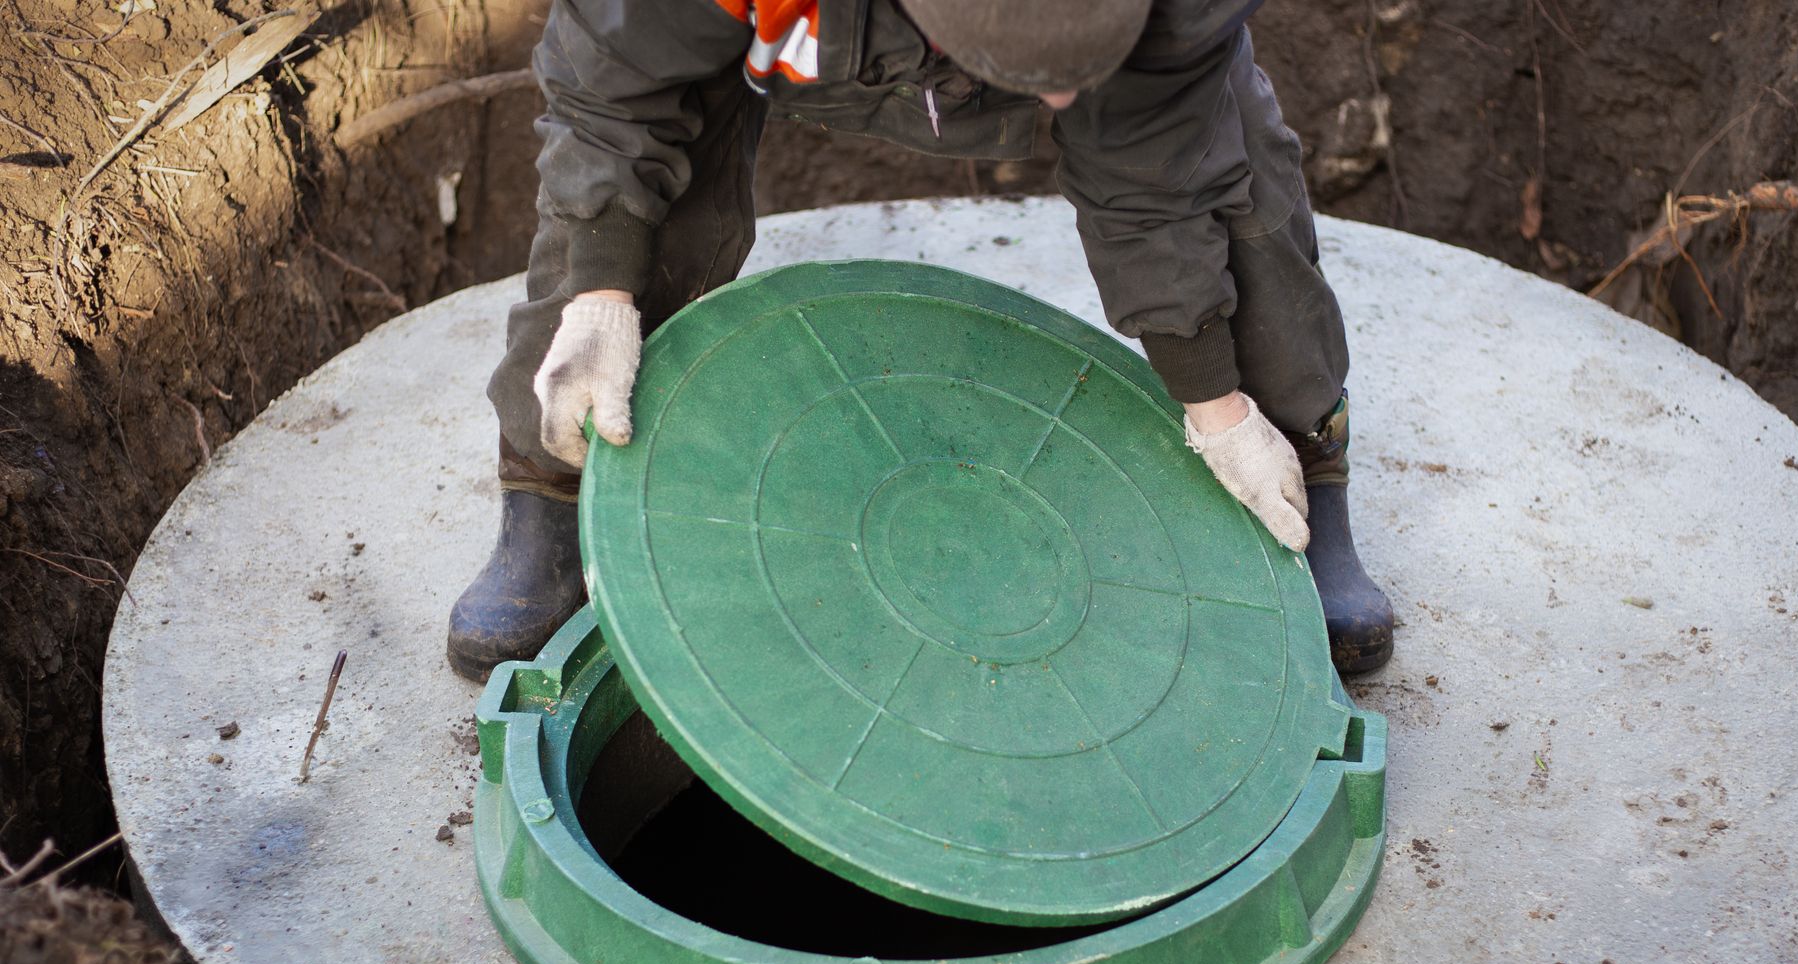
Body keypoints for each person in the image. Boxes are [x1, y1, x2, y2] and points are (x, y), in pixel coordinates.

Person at [447, 0, 1395, 681]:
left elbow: (1156, 183)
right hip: (800, 32)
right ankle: (548, 487)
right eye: (1053, 81)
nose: (1066, 102)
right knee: (625, 228)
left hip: (1092, 55)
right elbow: (612, 96)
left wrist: (1216, 403)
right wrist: (603, 293)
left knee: (1241, 192)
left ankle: (1302, 469)